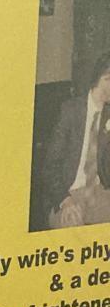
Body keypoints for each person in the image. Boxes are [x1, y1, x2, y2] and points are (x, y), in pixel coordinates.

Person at [38, 51, 110, 229]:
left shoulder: (108, 114)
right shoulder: (70, 110)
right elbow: (48, 167)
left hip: (98, 193)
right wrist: (65, 200)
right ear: (105, 78)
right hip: (67, 193)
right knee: (74, 236)